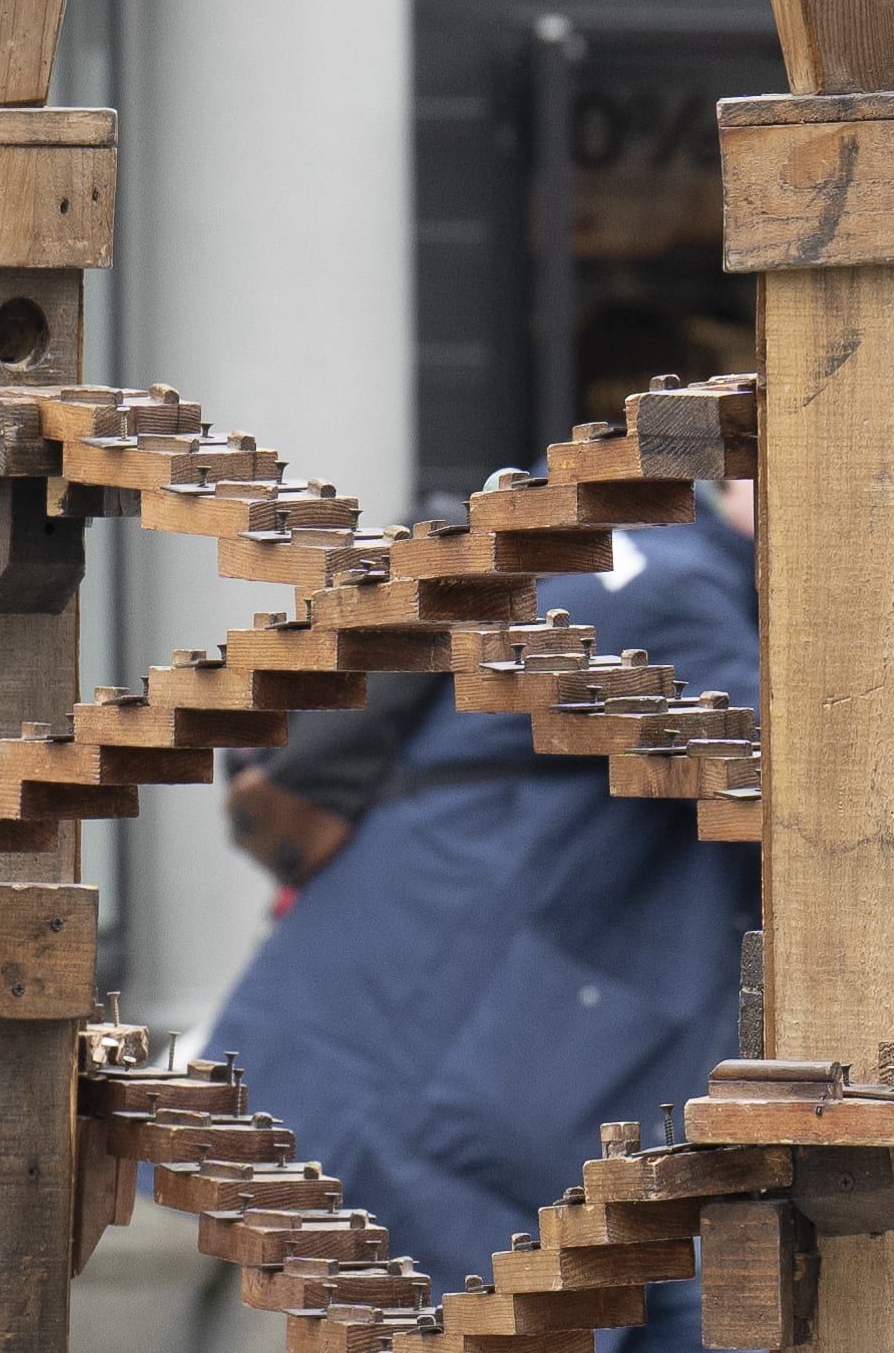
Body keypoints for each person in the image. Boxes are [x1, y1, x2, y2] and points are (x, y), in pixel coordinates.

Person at [207, 483, 761, 1353]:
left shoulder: (599, 550)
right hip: (429, 1117)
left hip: (352, 1067)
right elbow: (829, 814)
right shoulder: (676, 594)